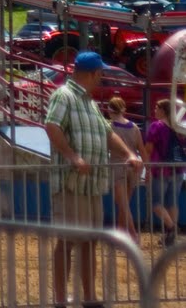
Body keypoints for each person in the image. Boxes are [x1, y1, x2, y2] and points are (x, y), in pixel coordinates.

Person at [45, 51, 142, 308]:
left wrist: (129, 154)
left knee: (89, 241)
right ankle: (59, 300)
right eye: (100, 74)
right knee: (66, 241)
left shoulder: (89, 103)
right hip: (71, 182)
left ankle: (89, 298)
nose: (101, 79)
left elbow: (108, 134)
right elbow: (52, 126)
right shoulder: (63, 95)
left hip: (92, 185)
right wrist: (73, 157)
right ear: (94, 73)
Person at [105, 95, 143, 240]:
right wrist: (147, 167)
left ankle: (133, 235)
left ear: (110, 110)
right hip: (133, 167)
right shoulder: (134, 127)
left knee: (122, 204)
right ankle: (119, 233)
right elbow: (141, 148)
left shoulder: (110, 127)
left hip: (118, 166)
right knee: (124, 203)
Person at [144, 97, 179, 245]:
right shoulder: (177, 127)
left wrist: (147, 168)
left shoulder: (156, 127)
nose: (154, 110)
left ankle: (170, 228)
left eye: (157, 108)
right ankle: (171, 235)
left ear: (163, 110)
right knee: (172, 202)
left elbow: (149, 148)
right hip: (178, 169)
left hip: (160, 169)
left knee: (155, 202)